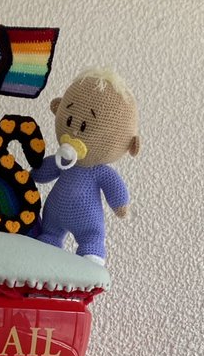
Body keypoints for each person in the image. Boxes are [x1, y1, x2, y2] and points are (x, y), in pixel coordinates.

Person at [34, 68, 140, 265]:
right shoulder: (63, 160)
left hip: (88, 223)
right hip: (53, 215)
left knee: (91, 240)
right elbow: (43, 171)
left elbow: (115, 189)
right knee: (48, 237)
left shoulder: (100, 172)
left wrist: (121, 206)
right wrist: (28, 175)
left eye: (83, 126)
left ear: (127, 144)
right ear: (59, 108)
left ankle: (91, 249)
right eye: (69, 120)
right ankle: (50, 239)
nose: (74, 131)